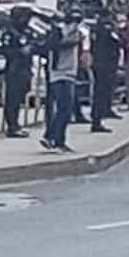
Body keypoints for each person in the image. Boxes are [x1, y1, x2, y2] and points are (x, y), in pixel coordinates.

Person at [43, 11, 83, 152]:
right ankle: (56, 139)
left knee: (63, 109)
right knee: (64, 109)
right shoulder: (62, 32)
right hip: (62, 73)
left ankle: (52, 136)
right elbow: (61, 45)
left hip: (64, 73)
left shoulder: (68, 32)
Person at [0, 5, 36, 138]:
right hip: (14, 69)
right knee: (12, 99)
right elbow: (5, 50)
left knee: (21, 96)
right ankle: (12, 126)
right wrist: (20, 53)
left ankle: (16, 123)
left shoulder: (26, 31)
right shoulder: (10, 33)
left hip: (25, 68)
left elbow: (33, 44)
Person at [90, 9, 122, 133]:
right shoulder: (106, 28)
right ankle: (97, 121)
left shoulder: (96, 28)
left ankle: (98, 117)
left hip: (99, 63)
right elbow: (117, 42)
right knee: (102, 93)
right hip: (106, 64)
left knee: (100, 92)